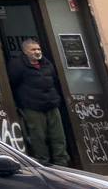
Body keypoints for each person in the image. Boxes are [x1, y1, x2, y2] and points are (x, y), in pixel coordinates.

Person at [7, 38, 69, 166]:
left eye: (38, 49)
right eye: (33, 49)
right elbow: (13, 83)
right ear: (25, 51)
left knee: (58, 136)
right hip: (32, 106)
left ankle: (61, 162)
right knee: (38, 136)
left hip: (51, 104)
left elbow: (54, 80)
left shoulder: (46, 63)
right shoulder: (18, 65)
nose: (37, 52)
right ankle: (43, 162)